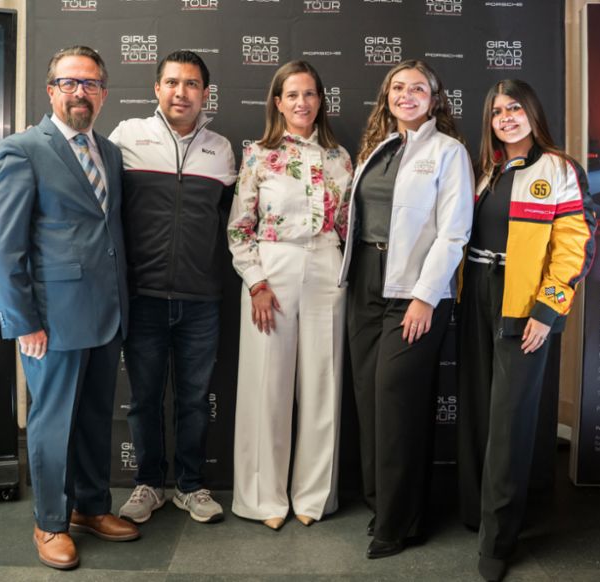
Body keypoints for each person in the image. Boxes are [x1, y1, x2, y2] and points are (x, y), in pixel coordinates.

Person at [0, 45, 139, 570]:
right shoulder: (22, 150)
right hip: (51, 322)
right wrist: (23, 322)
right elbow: (4, 247)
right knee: (52, 425)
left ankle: (91, 508)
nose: (80, 92)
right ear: (51, 90)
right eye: (69, 83)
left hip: (107, 315)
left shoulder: (109, 153)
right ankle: (50, 522)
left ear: (104, 93)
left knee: (96, 419)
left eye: (90, 83)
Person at [458, 79, 596, 582]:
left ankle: (498, 541)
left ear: (533, 113)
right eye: (497, 112)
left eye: (515, 108)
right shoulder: (487, 170)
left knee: (509, 420)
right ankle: (476, 514)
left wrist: (547, 310)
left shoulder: (559, 168)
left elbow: (576, 245)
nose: (507, 118)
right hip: (477, 293)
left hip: (524, 305)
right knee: (478, 409)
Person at [338, 59, 473, 558]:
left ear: (435, 99)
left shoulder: (448, 151)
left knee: (398, 403)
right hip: (366, 284)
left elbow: (454, 233)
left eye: (418, 88)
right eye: (398, 87)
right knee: (370, 400)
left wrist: (424, 296)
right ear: (387, 96)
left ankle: (399, 524)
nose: (406, 95)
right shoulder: (380, 147)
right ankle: (383, 507)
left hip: (414, 291)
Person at [108, 50, 236, 525]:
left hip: (201, 299)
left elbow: (233, 221)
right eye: (172, 82)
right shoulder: (127, 135)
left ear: (205, 93)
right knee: (143, 399)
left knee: (194, 400)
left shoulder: (221, 149)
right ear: (157, 88)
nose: (181, 92)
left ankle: (189, 486)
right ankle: (148, 483)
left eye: (191, 84)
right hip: (142, 296)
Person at [227, 60, 352, 530]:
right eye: (293, 95)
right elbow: (239, 227)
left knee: (324, 381)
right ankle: (263, 499)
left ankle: (314, 497)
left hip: (327, 265)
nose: (302, 103)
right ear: (278, 103)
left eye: (310, 94)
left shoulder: (340, 157)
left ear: (321, 101)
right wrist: (256, 281)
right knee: (266, 383)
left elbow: (349, 226)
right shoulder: (258, 155)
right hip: (271, 268)